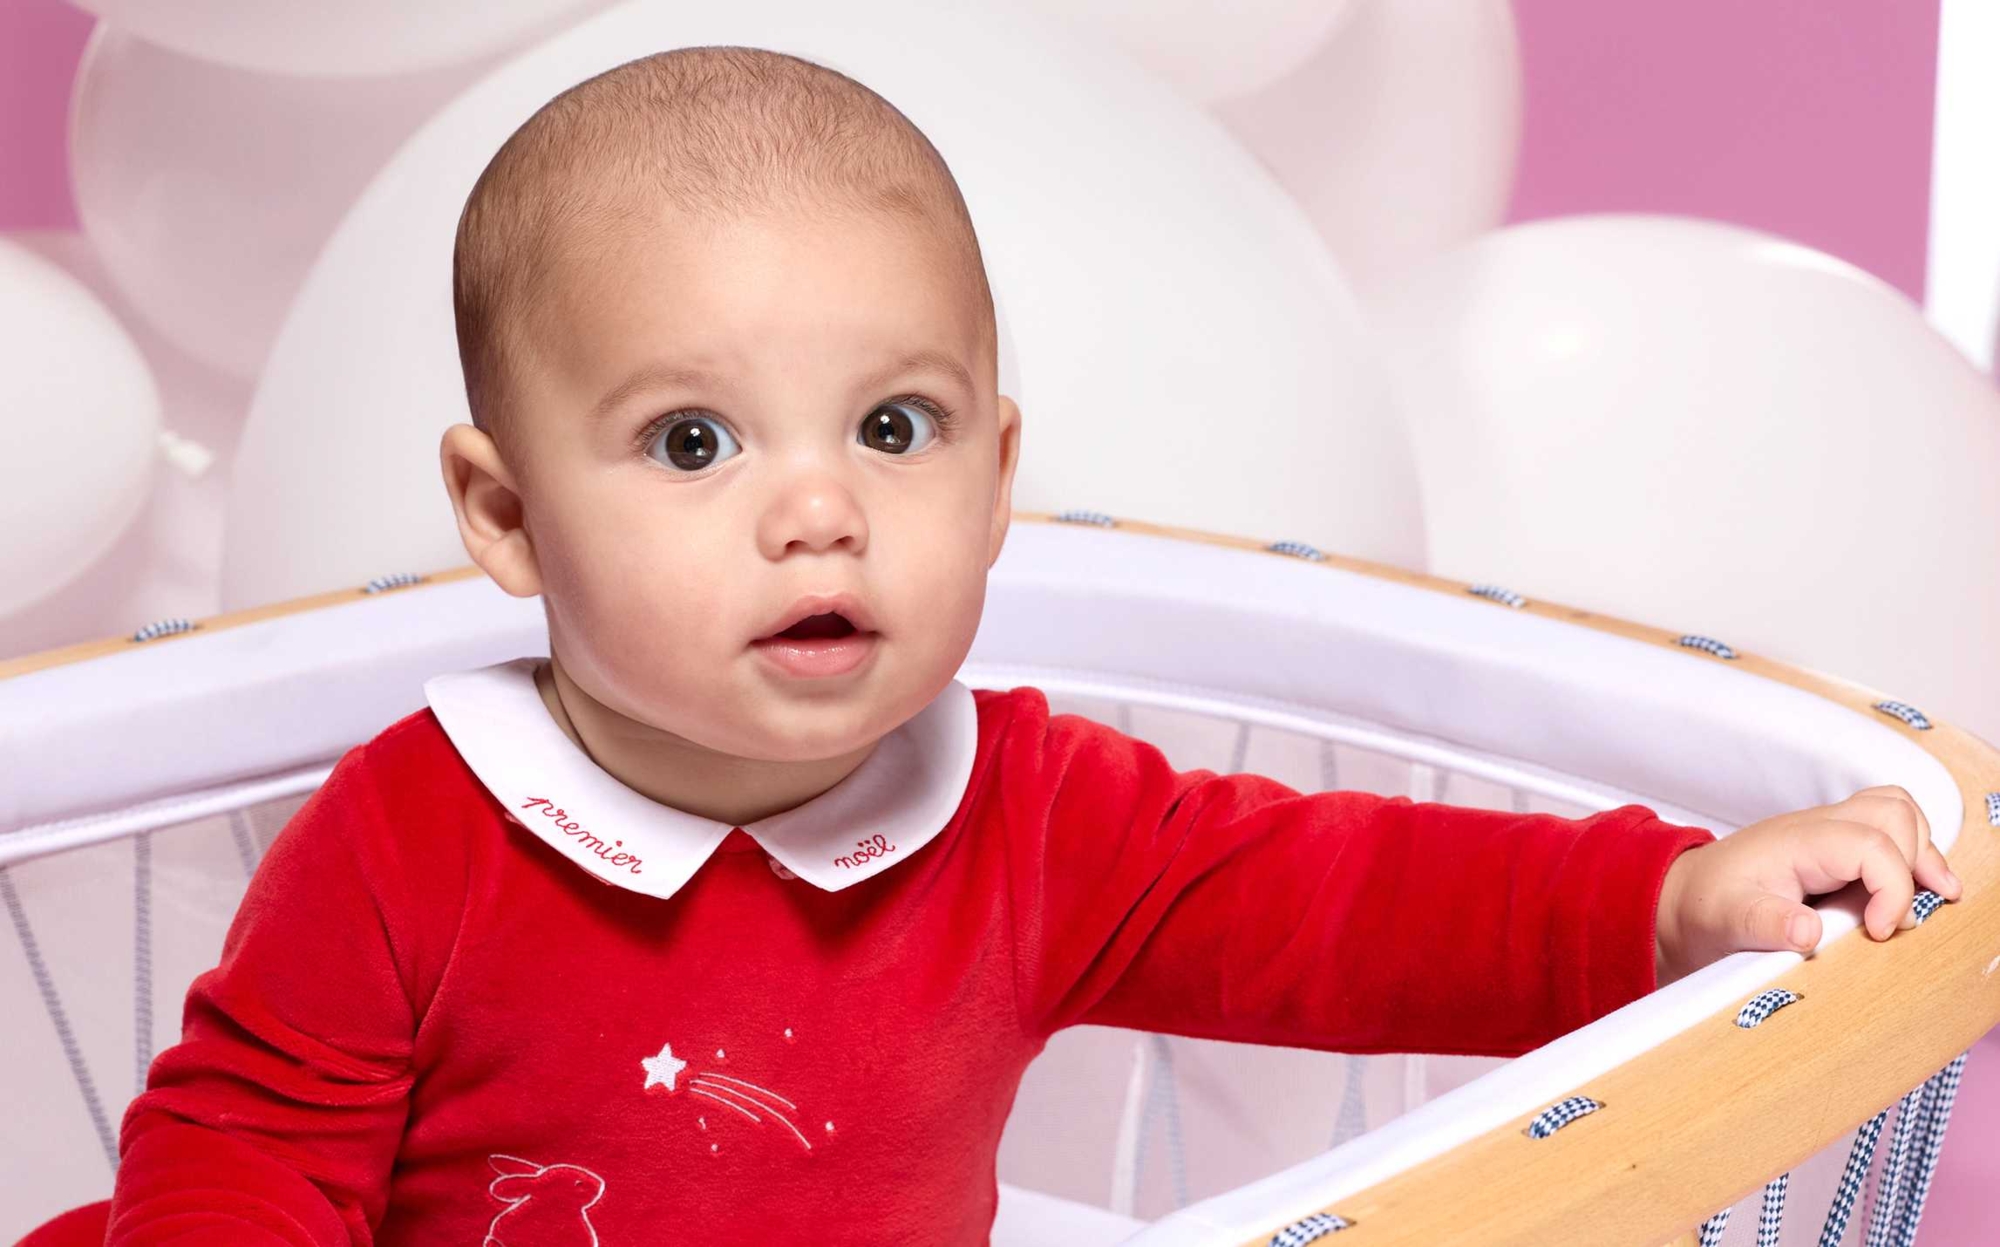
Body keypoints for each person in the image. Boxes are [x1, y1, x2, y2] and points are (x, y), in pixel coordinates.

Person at [39, 45, 1959, 1246]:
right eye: (694, 444)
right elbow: (238, 1160)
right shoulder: (412, 840)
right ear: (507, 517)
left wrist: (1665, 901)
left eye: (896, 427)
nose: (820, 509)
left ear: (1000, 474)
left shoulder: (1031, 816)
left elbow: (1351, 899)